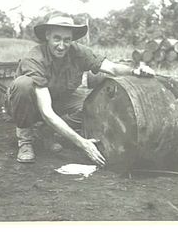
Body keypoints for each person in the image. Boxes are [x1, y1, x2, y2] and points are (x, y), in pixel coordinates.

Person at [8, 12, 155, 166]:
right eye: (57, 38)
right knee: (22, 85)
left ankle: (46, 132)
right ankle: (25, 141)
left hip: (59, 99)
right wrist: (82, 143)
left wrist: (135, 71)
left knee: (93, 105)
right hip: (29, 103)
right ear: (47, 36)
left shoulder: (78, 52)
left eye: (67, 40)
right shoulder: (34, 58)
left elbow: (112, 68)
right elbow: (46, 112)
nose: (61, 45)